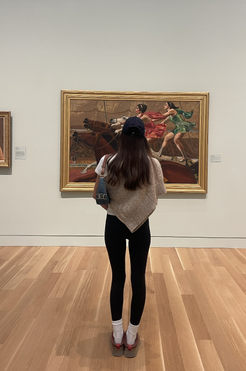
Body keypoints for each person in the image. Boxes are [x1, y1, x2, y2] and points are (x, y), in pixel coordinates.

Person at [93, 117, 166, 358]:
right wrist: (135, 211)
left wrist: (116, 211)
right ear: (144, 136)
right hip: (141, 226)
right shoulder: (153, 164)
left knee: (117, 277)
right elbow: (157, 195)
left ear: (122, 137)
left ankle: (116, 336)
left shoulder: (107, 161)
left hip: (113, 224)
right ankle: (131, 337)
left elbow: (98, 195)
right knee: (138, 278)